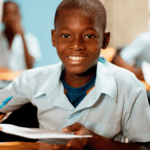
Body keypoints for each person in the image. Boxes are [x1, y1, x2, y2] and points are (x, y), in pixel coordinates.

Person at [0, 0, 150, 149]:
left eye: (89, 36)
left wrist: (95, 141)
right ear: (54, 38)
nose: (77, 45)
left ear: (104, 40)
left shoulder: (129, 87)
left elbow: (143, 147)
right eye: (66, 36)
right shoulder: (32, 80)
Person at [0, 1, 41, 70]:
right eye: (7, 14)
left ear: (20, 16)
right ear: (2, 17)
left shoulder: (30, 39)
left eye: (14, 13)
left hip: (21, 79)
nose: (11, 18)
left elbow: (30, 66)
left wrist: (22, 36)